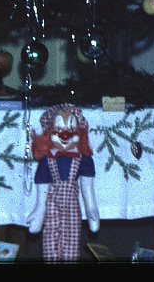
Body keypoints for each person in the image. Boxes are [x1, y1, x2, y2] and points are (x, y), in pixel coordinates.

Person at [26, 103, 100, 262]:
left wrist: (92, 210)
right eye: (58, 129)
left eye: (71, 129)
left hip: (72, 205)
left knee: (71, 242)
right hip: (51, 204)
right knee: (50, 238)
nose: (65, 135)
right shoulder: (47, 159)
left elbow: (88, 190)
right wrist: (39, 210)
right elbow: (42, 190)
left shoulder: (84, 159)